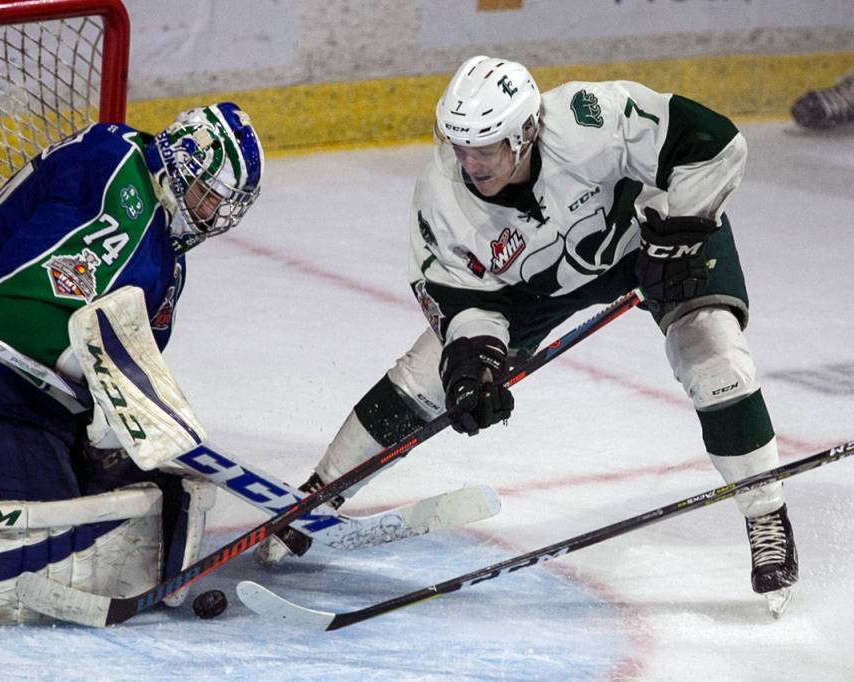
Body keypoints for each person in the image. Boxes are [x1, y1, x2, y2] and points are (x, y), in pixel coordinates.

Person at [255, 57, 798, 616]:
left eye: (485, 147)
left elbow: (714, 142)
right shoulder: (441, 200)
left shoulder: (589, 121)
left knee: (712, 357)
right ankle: (317, 496)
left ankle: (765, 512)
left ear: (525, 134)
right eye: (459, 144)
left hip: (653, 244)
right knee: (429, 375)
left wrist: (682, 227)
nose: (469, 161)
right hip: (532, 288)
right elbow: (464, 299)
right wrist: (473, 363)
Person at [0, 102, 263, 624]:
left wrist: (113, 413)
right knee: (50, 545)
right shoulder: (114, 174)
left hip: (29, 392)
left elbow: (119, 360)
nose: (214, 213)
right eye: (208, 193)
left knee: (136, 505)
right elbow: (9, 305)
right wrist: (102, 384)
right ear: (178, 160)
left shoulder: (164, 253)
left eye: (226, 202)